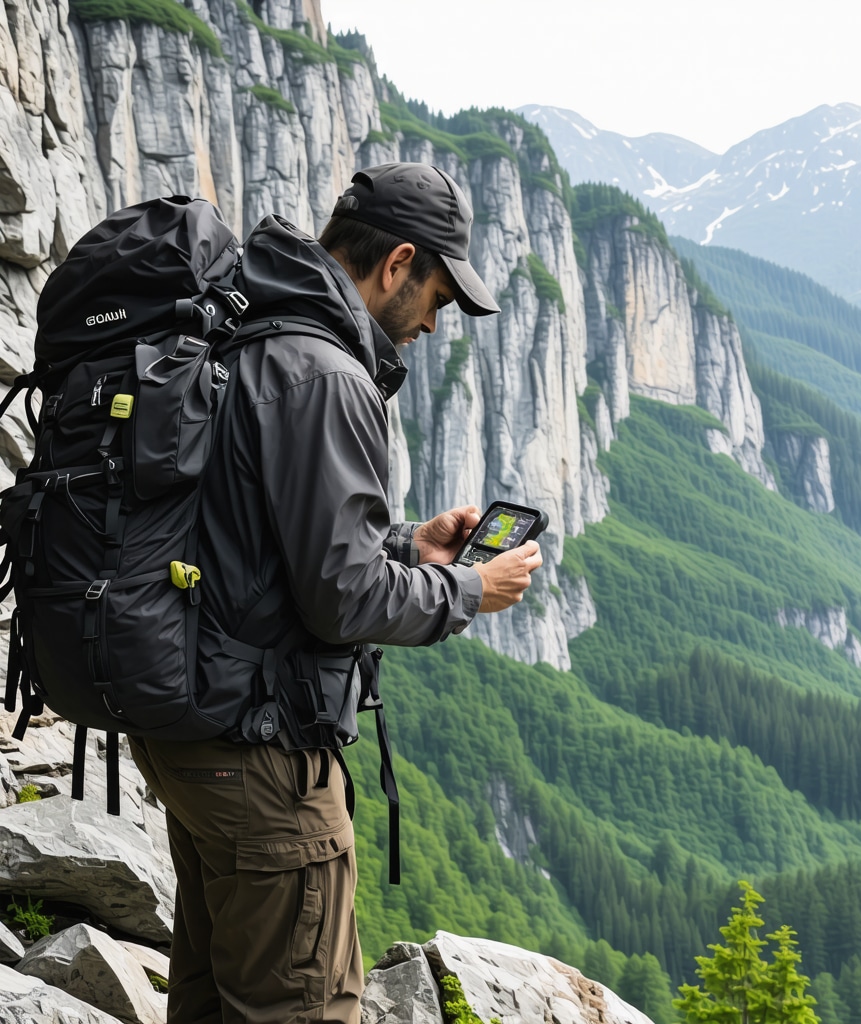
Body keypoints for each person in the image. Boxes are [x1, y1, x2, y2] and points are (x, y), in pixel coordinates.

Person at [127, 163, 543, 1024]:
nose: (434, 322)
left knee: (213, 997)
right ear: (397, 264)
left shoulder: (245, 324)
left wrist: (411, 544)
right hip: (260, 751)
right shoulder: (325, 373)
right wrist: (469, 587)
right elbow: (343, 601)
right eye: (438, 295)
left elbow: (249, 537)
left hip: (187, 732)